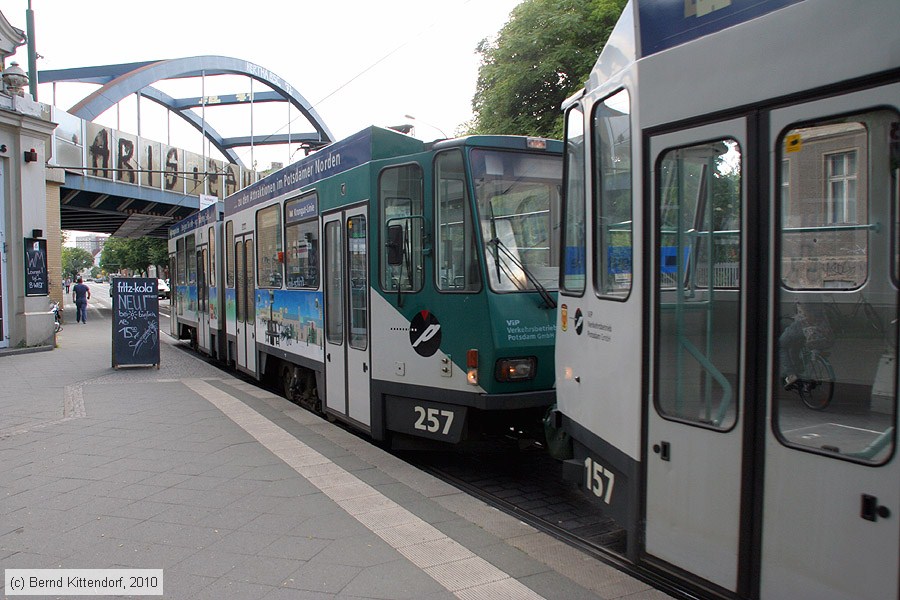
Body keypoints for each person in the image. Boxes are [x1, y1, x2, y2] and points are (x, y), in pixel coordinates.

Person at [780, 301, 832, 388]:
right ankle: (798, 367)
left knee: (781, 345)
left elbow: (805, 310)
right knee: (794, 345)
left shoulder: (803, 295)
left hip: (804, 326)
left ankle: (791, 375)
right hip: (821, 328)